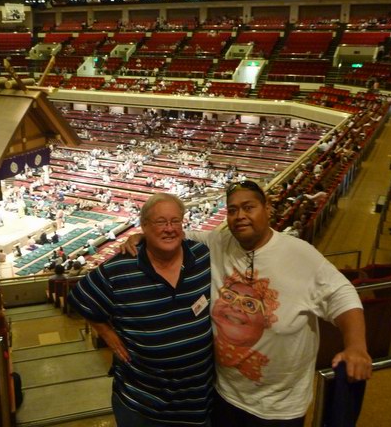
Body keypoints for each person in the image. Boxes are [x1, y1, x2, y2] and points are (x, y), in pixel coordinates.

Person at [122, 181, 371, 426]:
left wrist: (356, 346)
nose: (240, 216)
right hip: (224, 395)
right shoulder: (219, 242)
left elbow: (343, 295)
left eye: (248, 207)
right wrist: (143, 235)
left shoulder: (300, 254)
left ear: (267, 209)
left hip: (279, 409)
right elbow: (176, 235)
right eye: (232, 210)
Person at [68, 193, 214, 426]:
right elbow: (79, 297)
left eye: (175, 221)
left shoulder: (203, 255)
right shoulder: (119, 268)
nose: (169, 228)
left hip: (199, 401)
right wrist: (107, 334)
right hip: (142, 404)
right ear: (144, 226)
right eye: (160, 222)